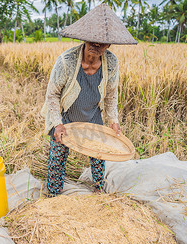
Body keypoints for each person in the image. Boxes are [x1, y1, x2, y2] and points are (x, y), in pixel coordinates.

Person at [40, 4, 137, 196]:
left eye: (102, 42)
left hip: (92, 116)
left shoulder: (111, 63)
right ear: (85, 39)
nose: (96, 45)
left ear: (109, 45)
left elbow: (111, 95)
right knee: (57, 157)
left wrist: (113, 121)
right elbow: (52, 95)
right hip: (66, 117)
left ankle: (99, 190)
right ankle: (53, 194)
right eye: (92, 40)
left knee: (99, 156)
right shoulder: (66, 61)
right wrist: (57, 124)